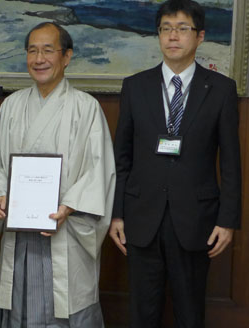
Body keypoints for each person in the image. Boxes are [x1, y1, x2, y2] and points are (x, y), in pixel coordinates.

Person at [109, 0, 241, 326]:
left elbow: (231, 162)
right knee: (143, 313)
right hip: (141, 218)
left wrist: (228, 221)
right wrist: (117, 213)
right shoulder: (135, 87)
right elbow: (121, 157)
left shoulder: (221, 90)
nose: (173, 37)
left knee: (190, 312)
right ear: (158, 36)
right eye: (166, 29)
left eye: (183, 29)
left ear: (200, 37)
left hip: (196, 219)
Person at [0, 22, 115, 327]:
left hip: (66, 230)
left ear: (66, 57)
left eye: (47, 50)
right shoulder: (12, 106)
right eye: (32, 50)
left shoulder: (86, 108)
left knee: (66, 301)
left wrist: (69, 205)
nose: (39, 58)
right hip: (19, 233)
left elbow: (99, 170)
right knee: (19, 303)